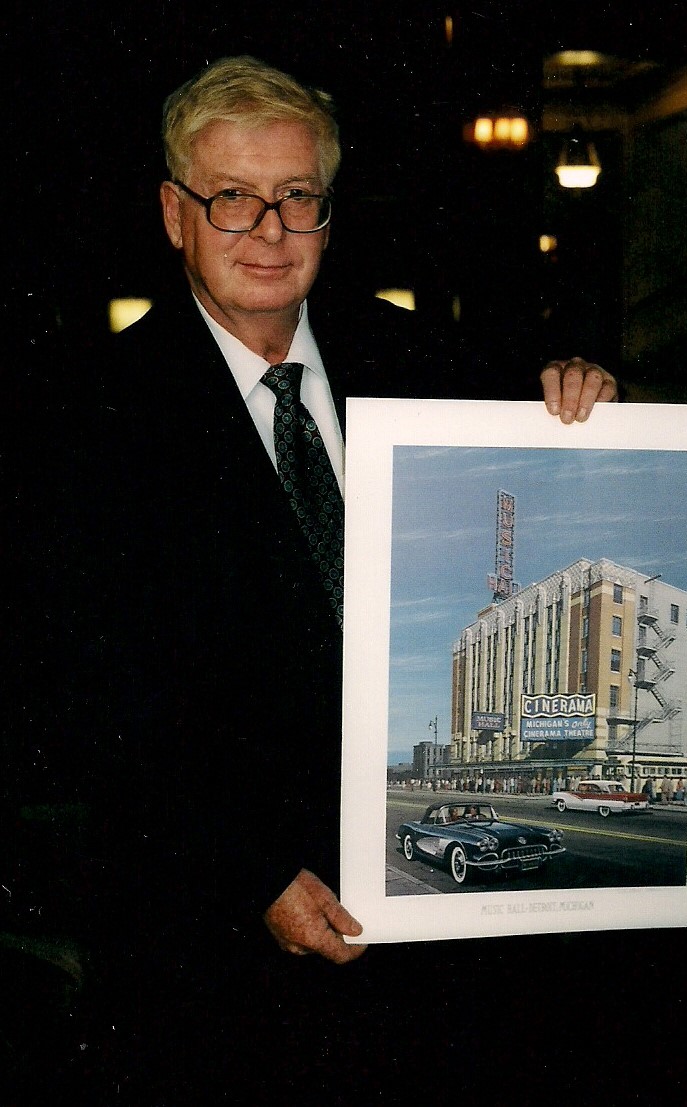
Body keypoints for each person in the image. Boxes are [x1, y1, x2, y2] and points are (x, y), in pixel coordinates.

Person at [50, 54, 616, 1097]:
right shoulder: (83, 417)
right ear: (175, 214)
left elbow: (541, 522)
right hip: (222, 953)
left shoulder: (437, 372)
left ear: (327, 212)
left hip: (442, 937)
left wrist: (577, 416)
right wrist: (249, 875)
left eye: (296, 197)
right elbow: (92, 706)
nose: (268, 231)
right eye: (233, 198)